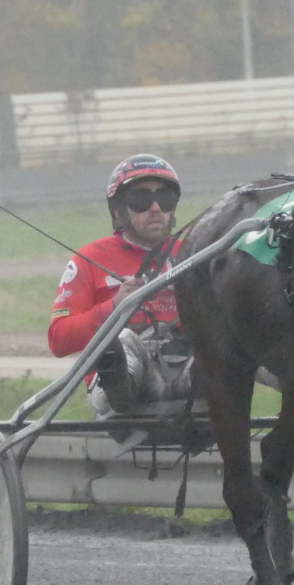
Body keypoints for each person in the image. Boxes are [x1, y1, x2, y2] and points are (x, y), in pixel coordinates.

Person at [49, 154, 194, 418]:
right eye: (141, 199)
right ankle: (122, 391)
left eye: (164, 198)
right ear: (119, 208)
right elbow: (59, 340)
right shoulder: (88, 260)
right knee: (124, 339)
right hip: (124, 389)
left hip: (186, 375)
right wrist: (115, 306)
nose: (155, 208)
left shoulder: (194, 253)